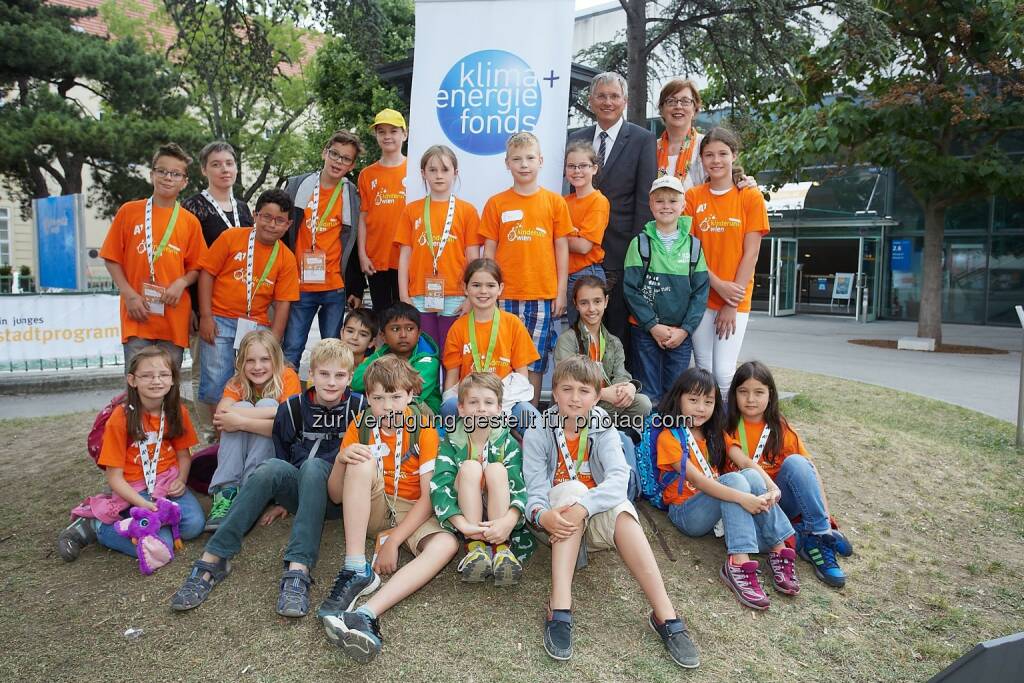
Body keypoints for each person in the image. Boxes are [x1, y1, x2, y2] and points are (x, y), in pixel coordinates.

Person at [522, 356, 699, 668]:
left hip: (591, 516)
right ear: (555, 392)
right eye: (566, 389)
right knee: (573, 489)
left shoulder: (602, 423)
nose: (575, 398)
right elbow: (534, 489)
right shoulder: (540, 425)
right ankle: (559, 605)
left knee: (623, 510)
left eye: (584, 391)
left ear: (597, 394)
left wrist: (584, 507)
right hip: (555, 521)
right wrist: (540, 515)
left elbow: (619, 480)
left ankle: (665, 614)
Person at [169, 339, 365, 617]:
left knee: (313, 467)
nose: (331, 382)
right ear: (311, 374)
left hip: (340, 498)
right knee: (272, 466)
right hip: (301, 490)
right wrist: (283, 499)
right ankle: (213, 559)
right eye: (324, 374)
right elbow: (283, 455)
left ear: (351, 376)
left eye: (340, 375)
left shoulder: (360, 408)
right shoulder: (293, 408)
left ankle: (298, 571)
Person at [321, 355, 459, 663]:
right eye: (379, 398)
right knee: (361, 461)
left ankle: (366, 614)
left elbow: (427, 499)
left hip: (413, 508)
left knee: (447, 543)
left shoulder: (423, 427)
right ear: (367, 398)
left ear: (411, 395)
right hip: (374, 504)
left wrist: (395, 541)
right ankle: (356, 566)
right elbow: (335, 494)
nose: (388, 406)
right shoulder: (361, 425)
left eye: (396, 396)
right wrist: (341, 461)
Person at [657, 368, 798, 611]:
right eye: (693, 400)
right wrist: (743, 498)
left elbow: (745, 462)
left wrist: (771, 486)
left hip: (714, 507)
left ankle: (778, 549)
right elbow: (700, 482)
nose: (701, 408)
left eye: (708, 402)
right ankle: (738, 563)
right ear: (678, 399)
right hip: (686, 512)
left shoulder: (714, 434)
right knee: (733, 481)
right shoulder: (669, 436)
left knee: (751, 475)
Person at [57, 346, 204, 568]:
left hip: (166, 485)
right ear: (132, 380)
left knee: (193, 526)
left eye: (163, 375)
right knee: (161, 545)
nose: (156, 381)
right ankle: (98, 527)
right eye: (147, 376)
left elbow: (184, 456)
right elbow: (114, 477)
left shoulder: (177, 412)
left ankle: (145, 525)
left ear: (173, 379)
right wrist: (143, 503)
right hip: (135, 489)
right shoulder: (120, 418)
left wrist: (181, 481)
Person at [726, 361, 849, 587]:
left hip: (781, 502)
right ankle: (799, 537)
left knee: (798, 463)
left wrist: (826, 522)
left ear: (771, 395)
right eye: (743, 392)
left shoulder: (778, 426)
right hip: (750, 506)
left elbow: (810, 472)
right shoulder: (726, 426)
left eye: (758, 392)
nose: (750, 399)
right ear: (733, 395)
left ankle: (820, 536)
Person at [480, 131, 572, 405]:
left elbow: (562, 248)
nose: (524, 164)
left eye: (530, 158)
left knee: (535, 359)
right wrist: (489, 289)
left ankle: (529, 418)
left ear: (541, 161)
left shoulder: (555, 202)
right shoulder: (496, 203)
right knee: (503, 356)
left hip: (541, 294)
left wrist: (561, 291)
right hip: (505, 295)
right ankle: (501, 417)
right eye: (517, 159)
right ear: (507, 163)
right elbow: (490, 249)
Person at [567, 72, 657, 344]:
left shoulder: (642, 140)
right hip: (580, 253)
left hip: (620, 253)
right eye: (601, 96)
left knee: (617, 330)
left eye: (614, 96)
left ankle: (617, 385)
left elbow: (645, 201)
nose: (608, 102)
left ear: (625, 101)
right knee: (580, 330)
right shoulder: (575, 138)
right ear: (591, 101)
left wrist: (636, 254)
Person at [100, 143, 205, 369]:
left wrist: (182, 282)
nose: (168, 178)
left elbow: (197, 267)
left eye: (175, 173)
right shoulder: (129, 211)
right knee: (138, 381)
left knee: (168, 383)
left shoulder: (190, 222)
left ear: (184, 181)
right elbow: (111, 257)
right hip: (138, 312)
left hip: (173, 317)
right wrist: (128, 294)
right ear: (152, 174)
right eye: (162, 171)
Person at [196, 189, 299, 414]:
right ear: (255, 215)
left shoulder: (286, 257)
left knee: (256, 380)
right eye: (266, 217)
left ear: (288, 225)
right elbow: (207, 274)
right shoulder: (231, 237)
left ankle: (248, 425)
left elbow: (283, 303)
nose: (272, 225)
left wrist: (274, 339)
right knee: (216, 378)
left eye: (279, 220)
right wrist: (205, 316)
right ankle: (220, 435)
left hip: (256, 325)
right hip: (219, 319)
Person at [686, 127, 770, 399]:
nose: (716, 160)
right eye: (709, 155)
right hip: (701, 295)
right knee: (704, 371)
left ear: (734, 155)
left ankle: (724, 434)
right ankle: (706, 434)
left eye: (723, 153)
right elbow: (690, 250)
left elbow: (751, 253)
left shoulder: (750, 196)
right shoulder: (693, 197)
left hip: (735, 300)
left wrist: (730, 301)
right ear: (701, 159)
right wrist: (717, 284)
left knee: (723, 374)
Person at [430, 372, 534, 585]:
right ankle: (475, 549)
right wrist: (462, 525)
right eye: (473, 402)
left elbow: (521, 487)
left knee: (497, 469)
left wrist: (509, 521)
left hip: (499, 511)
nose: (481, 409)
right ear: (460, 408)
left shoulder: (508, 442)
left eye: (488, 402)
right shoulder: (450, 441)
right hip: (467, 514)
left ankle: (501, 550)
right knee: (470, 467)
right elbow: (440, 487)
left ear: (499, 408)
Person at [182, 141, 255, 439]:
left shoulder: (242, 208)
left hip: (240, 305)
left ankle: (236, 428)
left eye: (229, 163)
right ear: (204, 170)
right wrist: (194, 309)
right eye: (216, 164)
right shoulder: (193, 206)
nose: (224, 169)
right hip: (207, 305)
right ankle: (213, 434)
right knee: (208, 372)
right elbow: (187, 261)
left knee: (236, 370)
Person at [203, 329, 303, 531]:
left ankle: (250, 493)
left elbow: (284, 423)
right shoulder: (237, 381)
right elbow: (221, 414)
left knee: (262, 405)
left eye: (265, 359)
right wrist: (245, 415)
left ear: (276, 359)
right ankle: (226, 491)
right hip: (246, 451)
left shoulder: (287, 376)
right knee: (242, 406)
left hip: (280, 455)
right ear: (241, 362)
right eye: (250, 361)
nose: (258, 367)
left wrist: (240, 422)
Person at [623, 176, 709, 404]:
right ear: (650, 205)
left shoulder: (694, 246)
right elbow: (631, 290)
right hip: (645, 333)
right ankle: (648, 439)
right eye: (659, 201)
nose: (666, 206)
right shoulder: (640, 244)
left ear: (683, 206)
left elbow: (700, 293)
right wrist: (652, 325)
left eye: (673, 201)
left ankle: (672, 439)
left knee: (677, 394)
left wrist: (685, 330)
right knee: (647, 393)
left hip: (680, 335)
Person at [280, 131, 362, 368]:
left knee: (333, 352)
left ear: (352, 165)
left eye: (346, 158)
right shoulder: (298, 185)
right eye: (335, 154)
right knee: (292, 348)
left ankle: (331, 401)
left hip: (334, 288)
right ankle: (287, 399)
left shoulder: (351, 194)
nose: (338, 161)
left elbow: (353, 244)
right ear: (324, 152)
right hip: (300, 286)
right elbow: (283, 235)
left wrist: (355, 286)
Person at [396, 144, 480, 351]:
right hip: (419, 295)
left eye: (445, 169)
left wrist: (471, 297)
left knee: (452, 353)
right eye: (432, 170)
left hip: (456, 294)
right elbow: (404, 257)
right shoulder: (411, 210)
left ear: (455, 173)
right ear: (423, 173)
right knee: (427, 353)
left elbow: (473, 259)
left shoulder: (467, 211)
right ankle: (429, 386)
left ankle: (451, 386)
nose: (439, 176)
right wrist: (404, 296)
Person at [440, 258, 541, 431]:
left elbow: (522, 376)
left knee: (531, 417)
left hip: (505, 399)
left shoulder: (513, 323)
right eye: (476, 285)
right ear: (465, 288)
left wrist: (503, 403)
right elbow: (452, 376)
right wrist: (450, 402)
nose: (483, 291)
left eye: (490, 285)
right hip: (470, 400)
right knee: (449, 407)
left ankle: (529, 454)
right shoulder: (458, 328)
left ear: (500, 288)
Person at [554, 275, 652, 431]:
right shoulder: (567, 340)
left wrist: (629, 388)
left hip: (609, 403)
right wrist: (603, 394)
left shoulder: (613, 342)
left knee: (643, 404)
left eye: (597, 301)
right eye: (584, 303)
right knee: (590, 409)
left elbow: (621, 374)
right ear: (576, 304)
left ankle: (613, 435)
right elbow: (567, 381)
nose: (591, 309)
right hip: (579, 401)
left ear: (606, 302)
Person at [357, 109, 408, 319]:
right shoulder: (367, 174)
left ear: (404, 134)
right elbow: (363, 216)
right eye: (381, 131)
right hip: (376, 257)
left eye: (393, 131)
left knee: (404, 315)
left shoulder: (414, 170)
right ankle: (383, 352)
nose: (387, 136)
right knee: (380, 315)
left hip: (405, 256)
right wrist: (362, 254)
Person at [351, 302, 442, 414]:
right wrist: (408, 377)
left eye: (409, 329)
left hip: (422, 412)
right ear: (383, 336)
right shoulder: (381, 354)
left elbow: (413, 393)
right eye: (395, 329)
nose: (403, 335)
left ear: (419, 333)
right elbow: (356, 381)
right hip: (385, 408)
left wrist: (377, 377)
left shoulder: (428, 359)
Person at [563, 140, 609, 326]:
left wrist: (556, 237)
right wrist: (572, 233)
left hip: (586, 274)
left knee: (586, 333)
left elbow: (583, 246)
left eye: (583, 166)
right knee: (573, 332)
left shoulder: (598, 201)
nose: (577, 171)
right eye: (571, 166)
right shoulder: (562, 201)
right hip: (565, 274)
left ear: (595, 168)